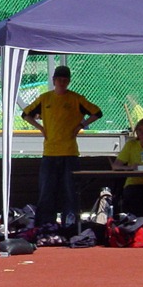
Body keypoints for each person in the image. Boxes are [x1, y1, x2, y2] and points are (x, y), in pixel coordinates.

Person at [21, 64, 103, 230]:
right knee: (46, 191)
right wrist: (41, 128)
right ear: (54, 81)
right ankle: (45, 225)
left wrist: (81, 125)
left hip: (69, 153)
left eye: (65, 80)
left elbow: (97, 112)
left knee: (70, 191)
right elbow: (26, 114)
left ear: (68, 82)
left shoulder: (76, 99)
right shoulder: (45, 99)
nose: (62, 83)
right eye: (59, 79)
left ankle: (70, 225)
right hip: (50, 152)